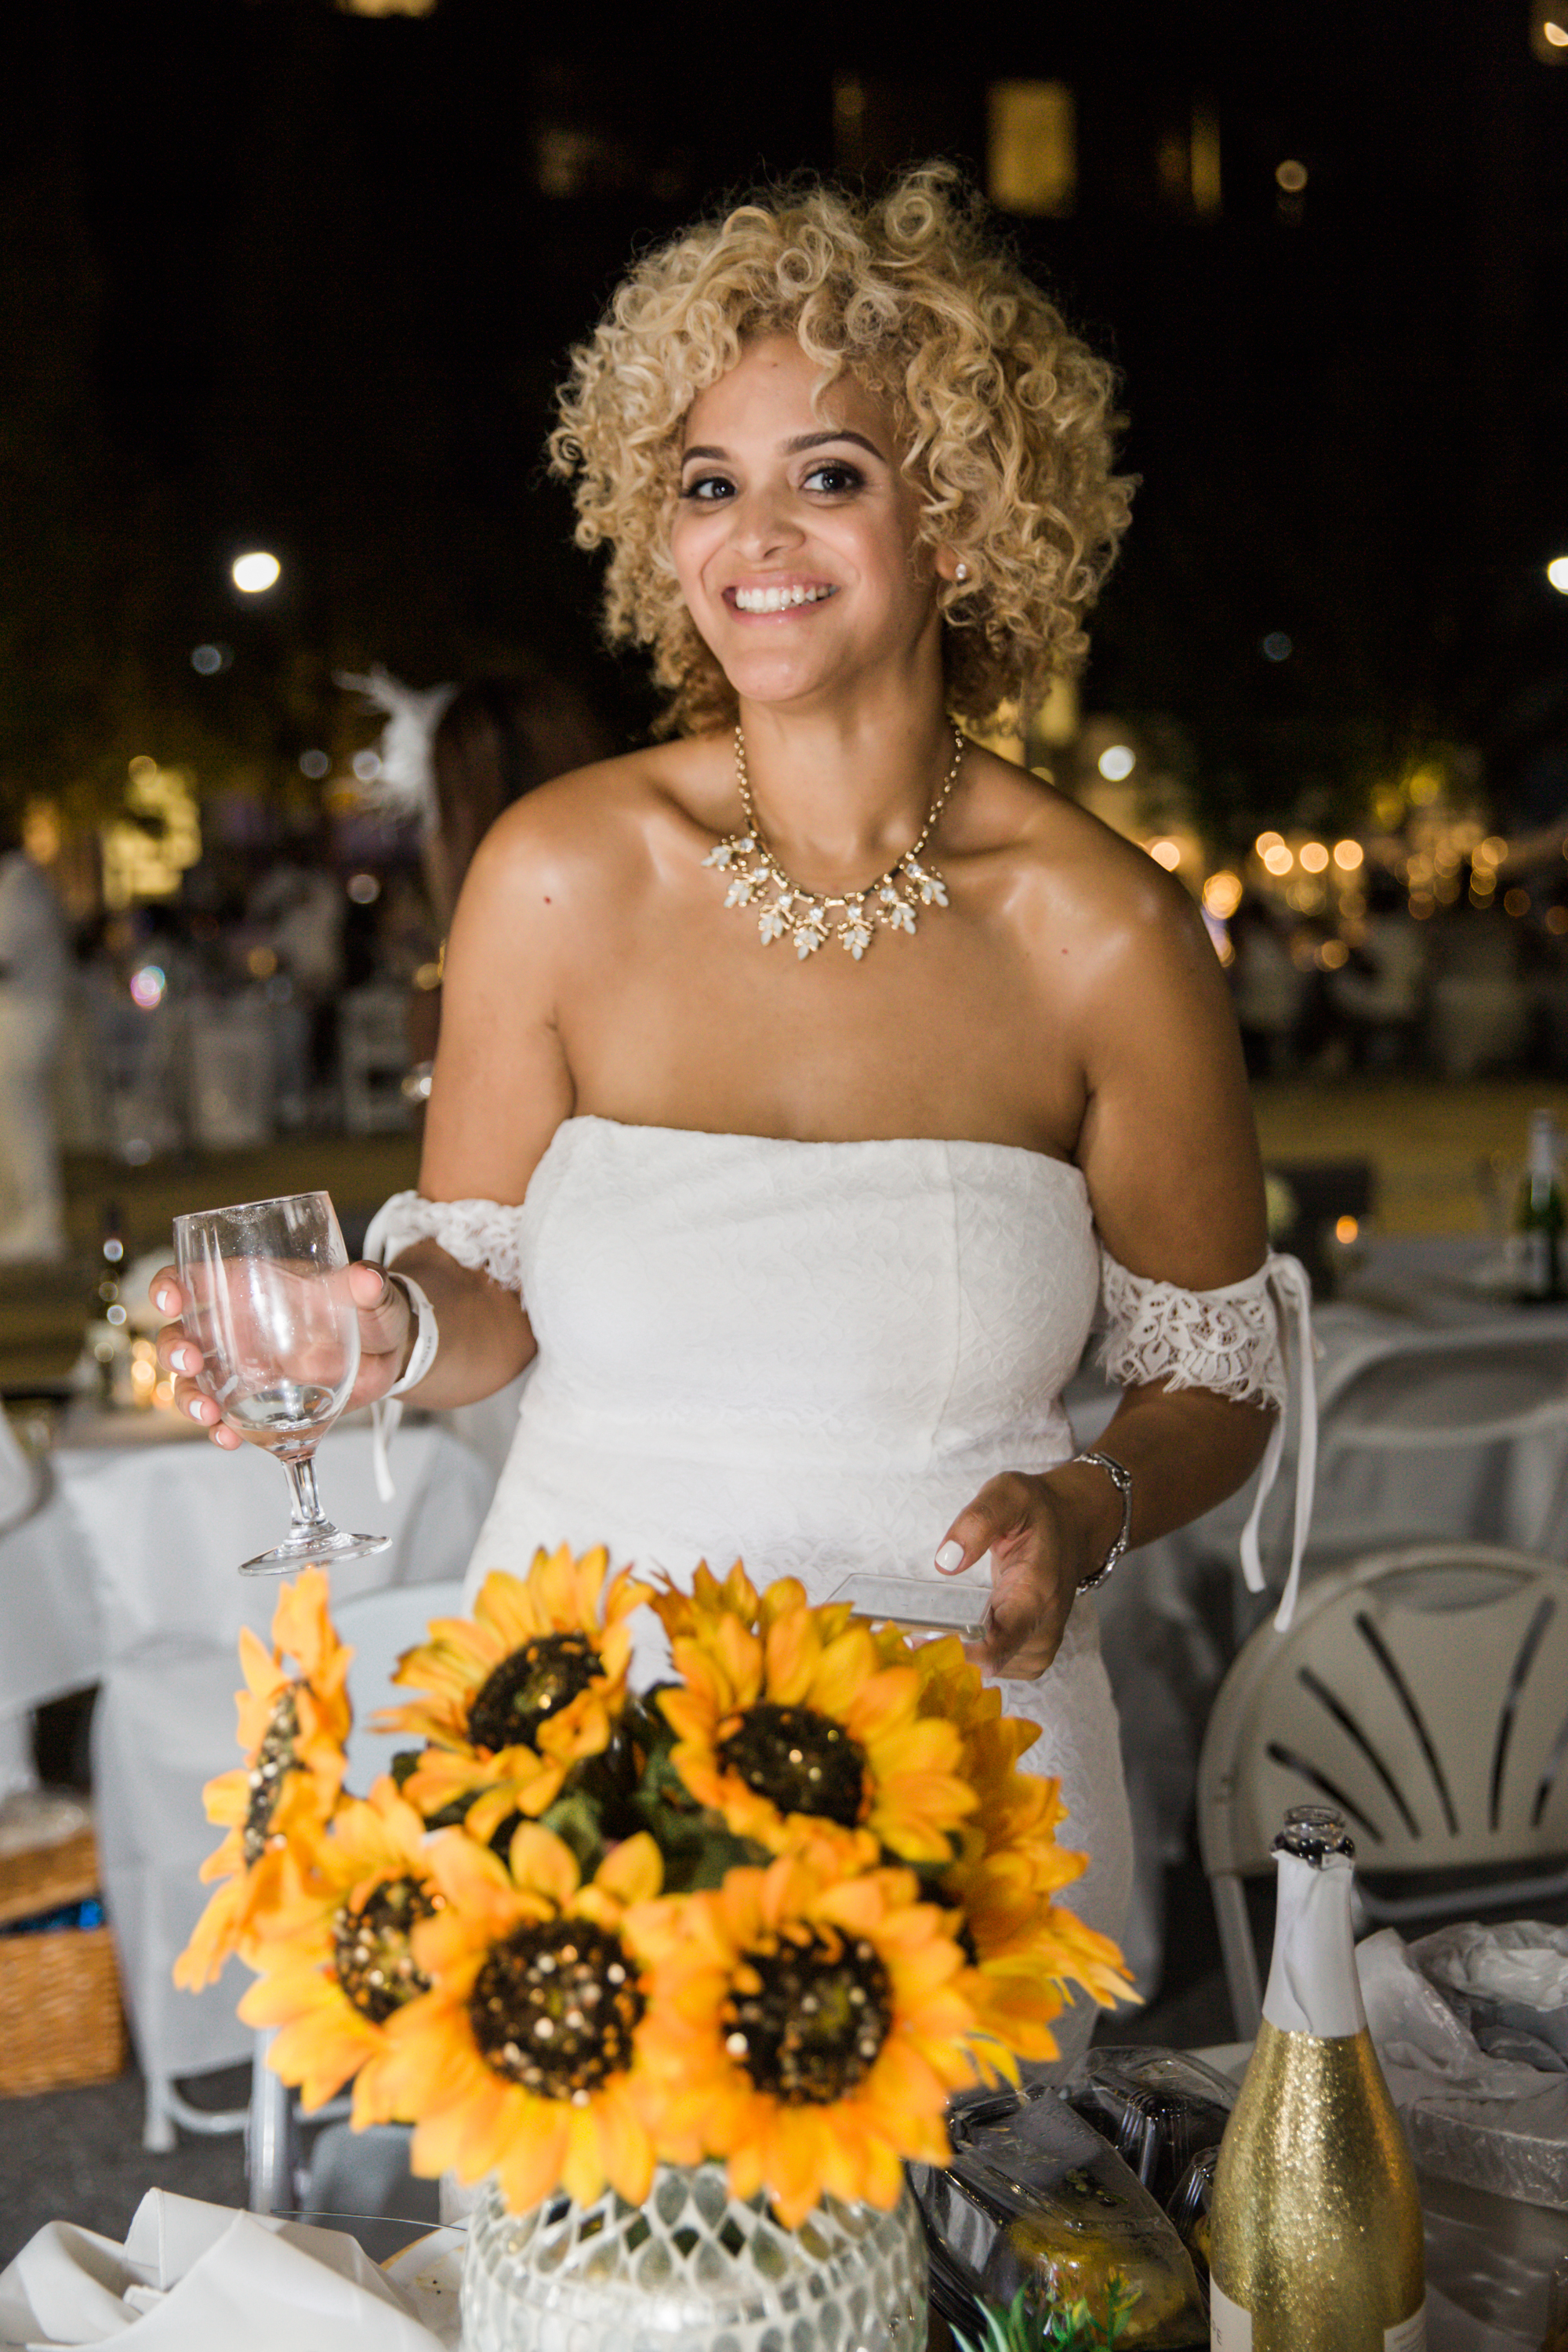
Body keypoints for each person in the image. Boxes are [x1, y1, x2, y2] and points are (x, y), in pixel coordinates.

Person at [156, 169, 1305, 2053]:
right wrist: (379, 1333)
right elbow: (487, 1301)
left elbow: (1216, 1376)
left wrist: (1083, 1507)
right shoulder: (554, 871)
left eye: (829, 473)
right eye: (707, 482)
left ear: (958, 519)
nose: (755, 534)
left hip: (964, 1762)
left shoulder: (1103, 930)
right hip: (570, 1752)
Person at [0, 802, 70, 1262]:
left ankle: (39, 1226)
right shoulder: (19, 881)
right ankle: (26, 1222)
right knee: (15, 1122)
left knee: (21, 1121)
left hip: (24, 1017)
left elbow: (4, 955)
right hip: (23, 1014)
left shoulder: (18, 884)